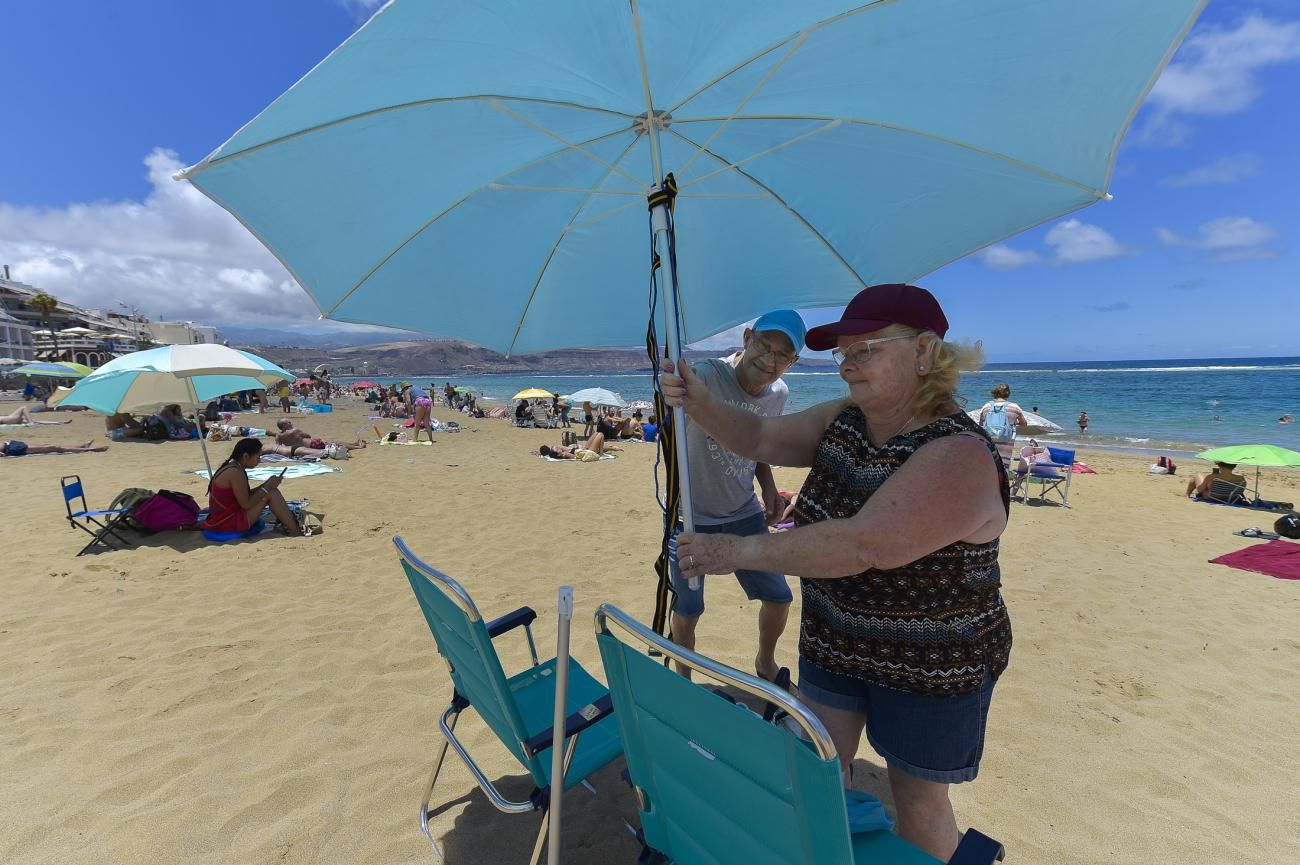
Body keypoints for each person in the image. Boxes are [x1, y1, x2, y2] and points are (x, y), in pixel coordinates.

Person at [662, 284, 1010, 860]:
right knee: (816, 770)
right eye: (841, 353)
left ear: (925, 352)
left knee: (919, 801)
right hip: (833, 638)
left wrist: (732, 553)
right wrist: (696, 400)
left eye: (864, 350)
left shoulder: (961, 455)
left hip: (931, 660)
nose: (846, 367)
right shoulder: (846, 417)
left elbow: (862, 544)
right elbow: (759, 437)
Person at [665, 309, 806, 689]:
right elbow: (683, 387)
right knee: (689, 608)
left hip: (744, 513)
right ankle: (683, 678)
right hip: (691, 516)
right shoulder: (711, 375)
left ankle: (765, 661)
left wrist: (769, 485)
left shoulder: (779, 393)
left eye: (783, 354)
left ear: (792, 362)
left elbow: (759, 442)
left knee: (779, 597)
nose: (769, 359)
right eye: (765, 345)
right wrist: (671, 386)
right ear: (746, 338)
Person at [202, 438, 302, 535]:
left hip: (224, 517)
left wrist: (267, 484)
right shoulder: (235, 472)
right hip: (227, 521)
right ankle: (295, 530)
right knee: (272, 493)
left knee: (271, 490)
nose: (259, 460)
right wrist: (267, 487)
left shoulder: (233, 467)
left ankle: (293, 527)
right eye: (257, 457)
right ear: (246, 456)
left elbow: (244, 496)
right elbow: (246, 504)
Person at [978, 384, 1028, 464]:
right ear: (1008, 393)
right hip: (1007, 439)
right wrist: (1014, 423)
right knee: (1004, 464)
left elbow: (980, 423)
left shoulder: (986, 407)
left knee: (990, 463)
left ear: (995, 393)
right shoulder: (1014, 407)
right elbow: (1024, 424)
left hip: (989, 439)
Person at [537, 431, 620, 460]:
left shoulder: (557, 452)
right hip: (588, 452)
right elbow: (577, 458)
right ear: (557, 453)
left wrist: (538, 452)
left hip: (583, 450)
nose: (556, 447)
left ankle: (610, 448)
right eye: (554, 449)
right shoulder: (564, 454)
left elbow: (549, 450)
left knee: (595, 433)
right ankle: (601, 452)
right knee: (601, 434)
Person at [2, 438, 108, 457]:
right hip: (13, 449)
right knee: (55, 448)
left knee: (46, 445)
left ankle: (82, 446)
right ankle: (89, 449)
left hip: (12, 444)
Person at [1, 406, 70, 425]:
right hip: (11, 419)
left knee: (36, 421)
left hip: (10, 420)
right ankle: (30, 422)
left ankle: (59, 422)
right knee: (23, 408)